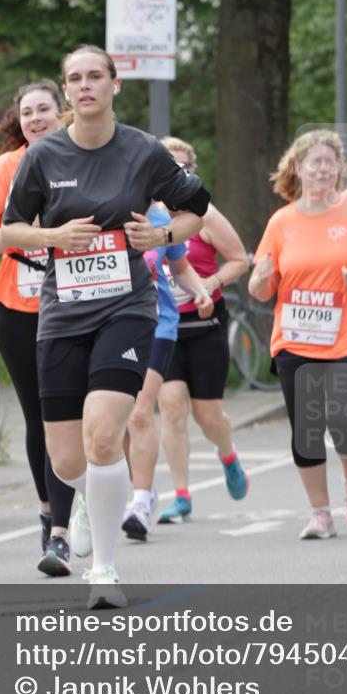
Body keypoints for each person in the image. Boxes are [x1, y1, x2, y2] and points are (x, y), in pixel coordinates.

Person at [1, 44, 209, 607]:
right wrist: (51, 238)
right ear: (66, 90)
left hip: (127, 308)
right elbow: (11, 230)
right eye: (75, 78)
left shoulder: (143, 151)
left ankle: (106, 572)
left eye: (96, 76)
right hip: (63, 313)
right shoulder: (42, 156)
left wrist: (163, 236)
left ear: (115, 85)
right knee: (67, 461)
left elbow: (197, 209)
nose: (85, 85)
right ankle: (99, 497)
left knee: (101, 436)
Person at [249, 129, 347, 540]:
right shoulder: (281, 222)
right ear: (298, 168)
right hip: (296, 339)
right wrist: (260, 278)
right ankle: (320, 513)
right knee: (307, 428)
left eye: (329, 162)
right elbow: (261, 288)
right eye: (313, 162)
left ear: (338, 168)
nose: (322, 169)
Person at [0, 80, 75, 576]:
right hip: (20, 305)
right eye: (26, 111)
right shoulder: (6, 167)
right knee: (41, 415)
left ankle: (87, 502)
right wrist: (32, 235)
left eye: (43, 109)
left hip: (82, 300)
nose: (35, 118)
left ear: (63, 112)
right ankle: (54, 522)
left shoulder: (86, 158)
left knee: (84, 412)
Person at [156, 137, 251, 524]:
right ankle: (181, 495)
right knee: (172, 408)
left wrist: (209, 285)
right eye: (168, 168)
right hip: (164, 325)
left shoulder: (205, 215)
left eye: (183, 168)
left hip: (205, 323)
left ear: (192, 173)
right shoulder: (147, 215)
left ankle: (227, 454)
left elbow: (239, 260)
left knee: (208, 417)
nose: (176, 176)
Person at [122, 201, 214, 540]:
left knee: (140, 413)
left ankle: (142, 503)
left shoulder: (160, 218)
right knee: (115, 421)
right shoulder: (96, 209)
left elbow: (180, 266)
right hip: (111, 325)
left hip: (157, 323)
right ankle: (130, 489)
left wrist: (201, 291)